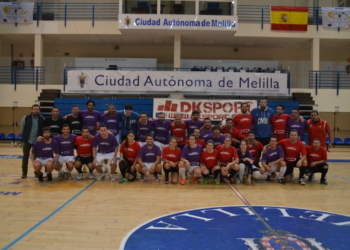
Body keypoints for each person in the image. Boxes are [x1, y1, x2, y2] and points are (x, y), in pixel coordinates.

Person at [20, 104, 45, 179]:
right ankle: (24, 173)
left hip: (37, 141)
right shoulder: (25, 117)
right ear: (31, 110)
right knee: (25, 157)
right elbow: (22, 128)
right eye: (34, 109)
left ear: (39, 110)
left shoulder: (42, 119)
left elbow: (43, 130)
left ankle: (36, 172)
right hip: (27, 140)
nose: (35, 111)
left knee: (37, 158)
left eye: (37, 109)